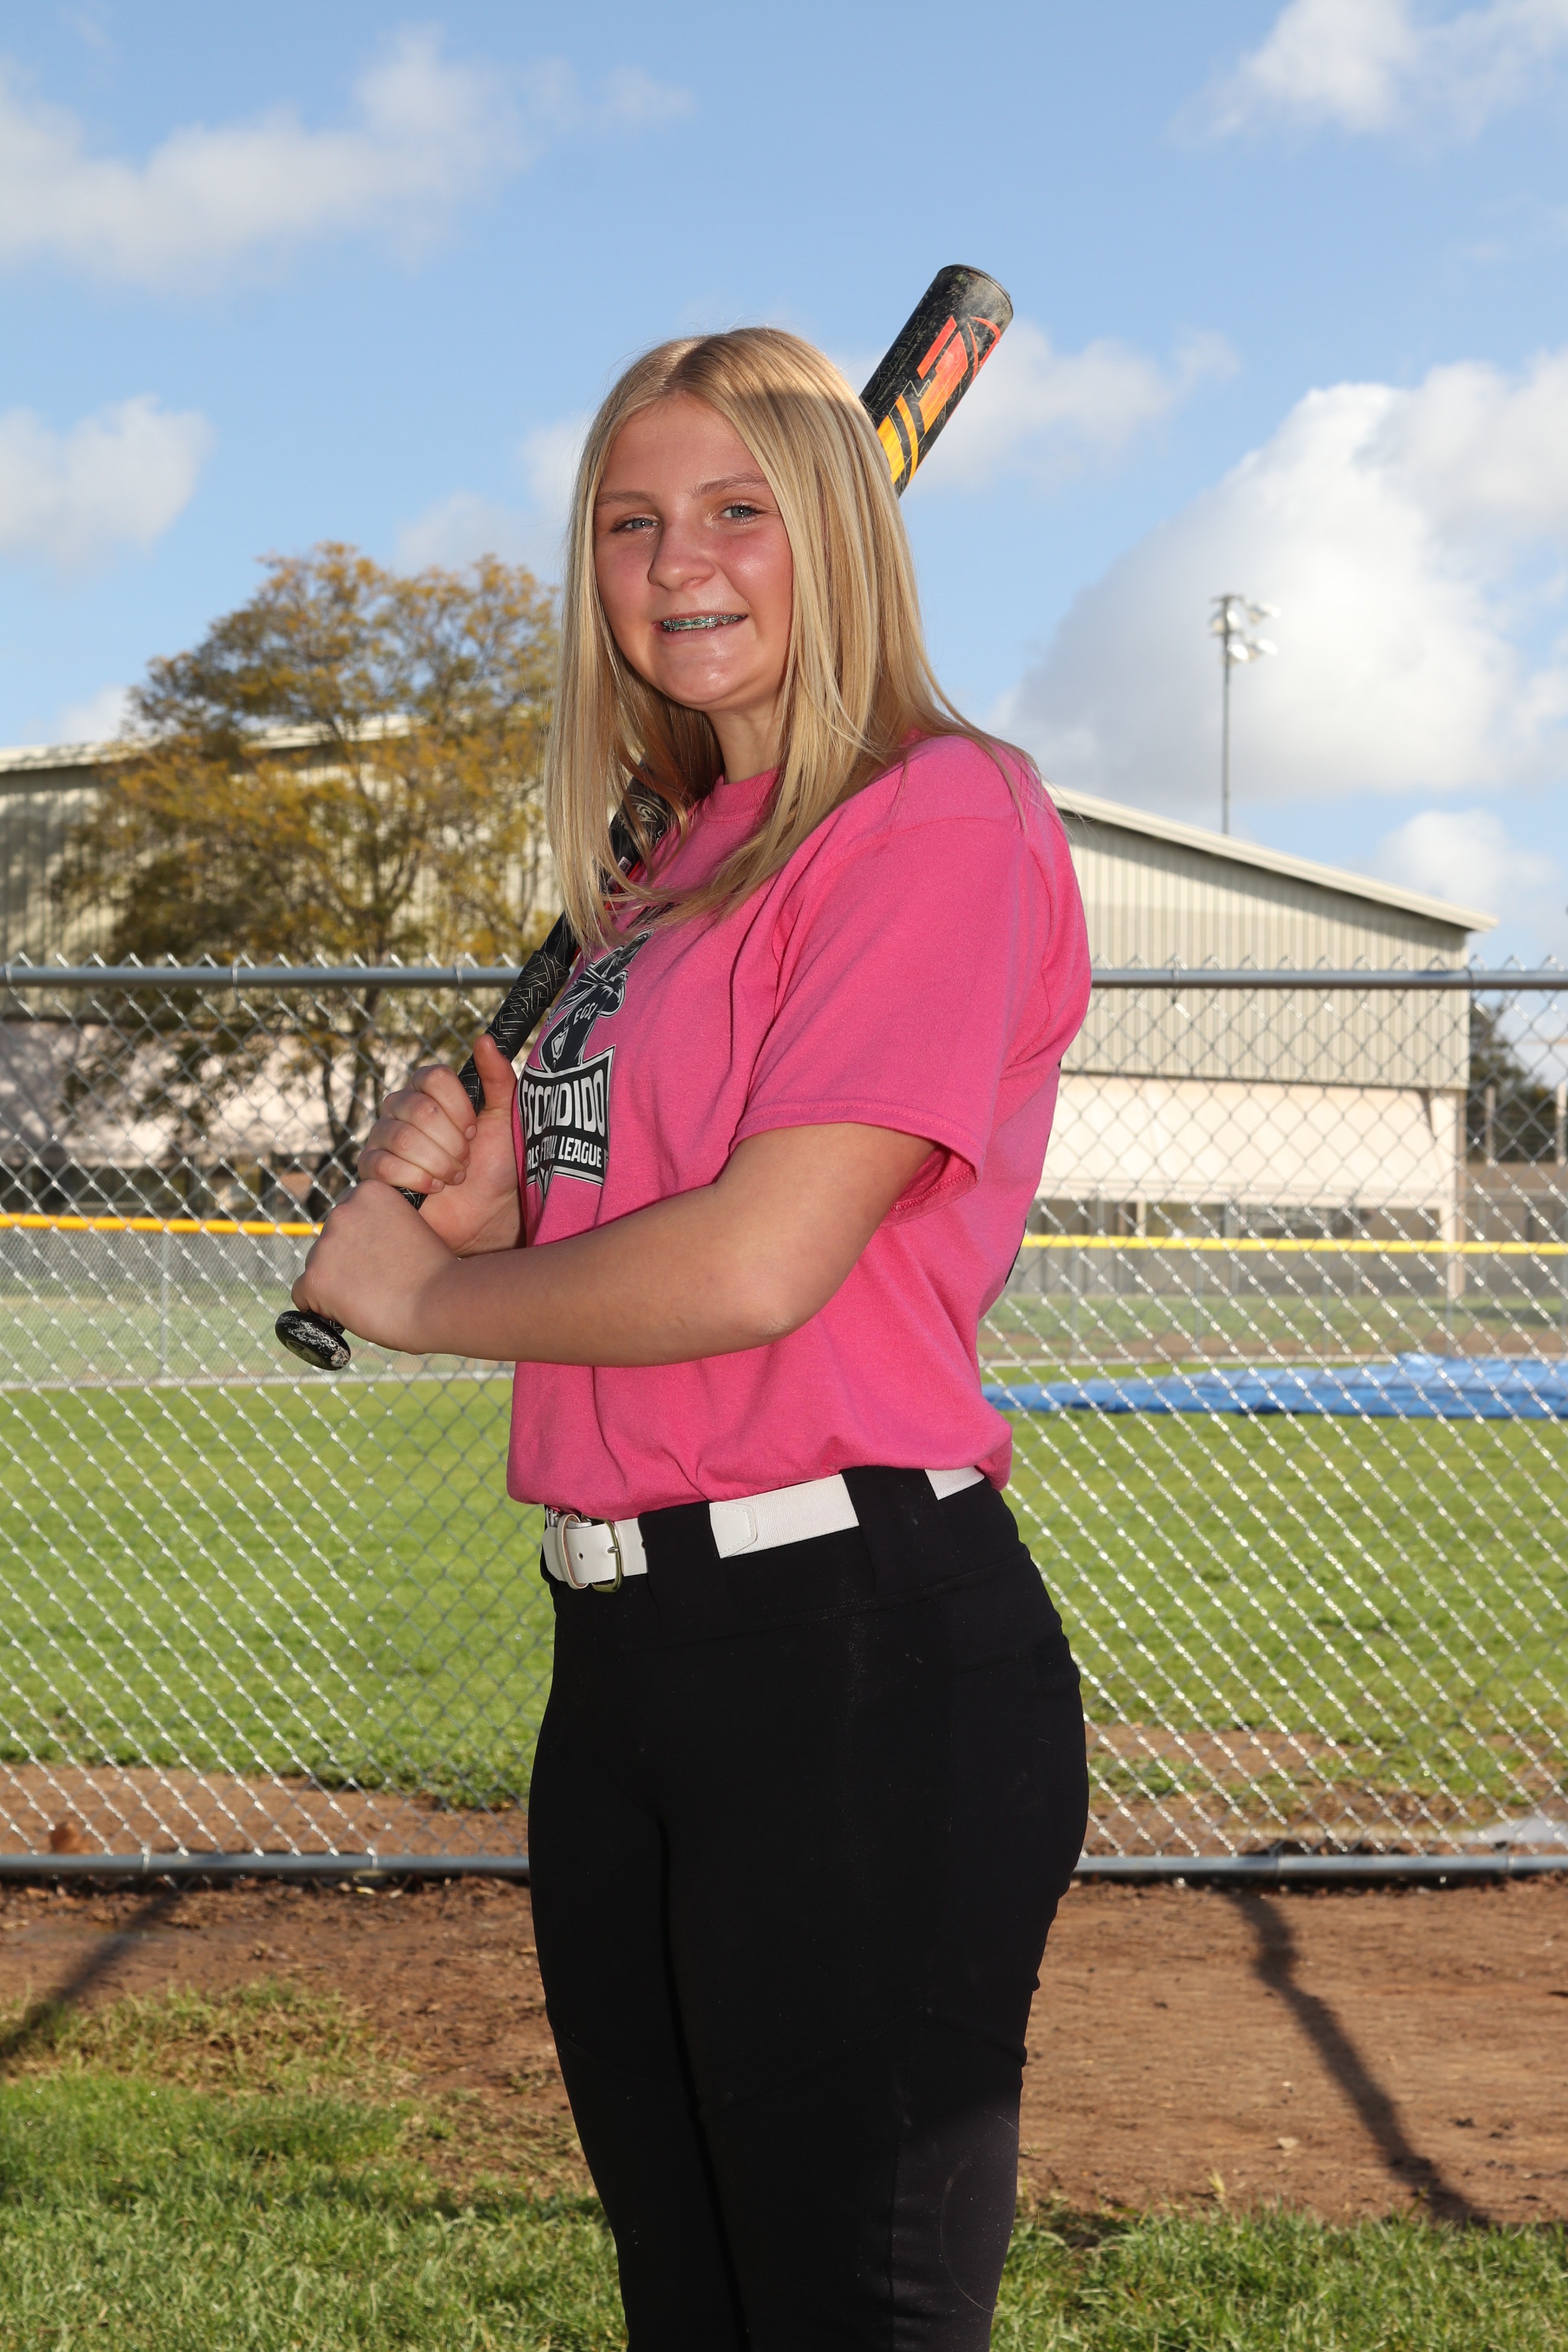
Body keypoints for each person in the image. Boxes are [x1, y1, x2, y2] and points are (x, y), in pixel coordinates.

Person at [293, 326, 1092, 2350]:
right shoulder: (669, 867)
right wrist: (501, 1211)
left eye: (741, 509)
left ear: (837, 530)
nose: (678, 563)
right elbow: (641, 1215)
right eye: (631, 523)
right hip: (624, 1663)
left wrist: (423, 1295)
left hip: (853, 1656)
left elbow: (757, 1263)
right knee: (696, 2309)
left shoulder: (936, 813)